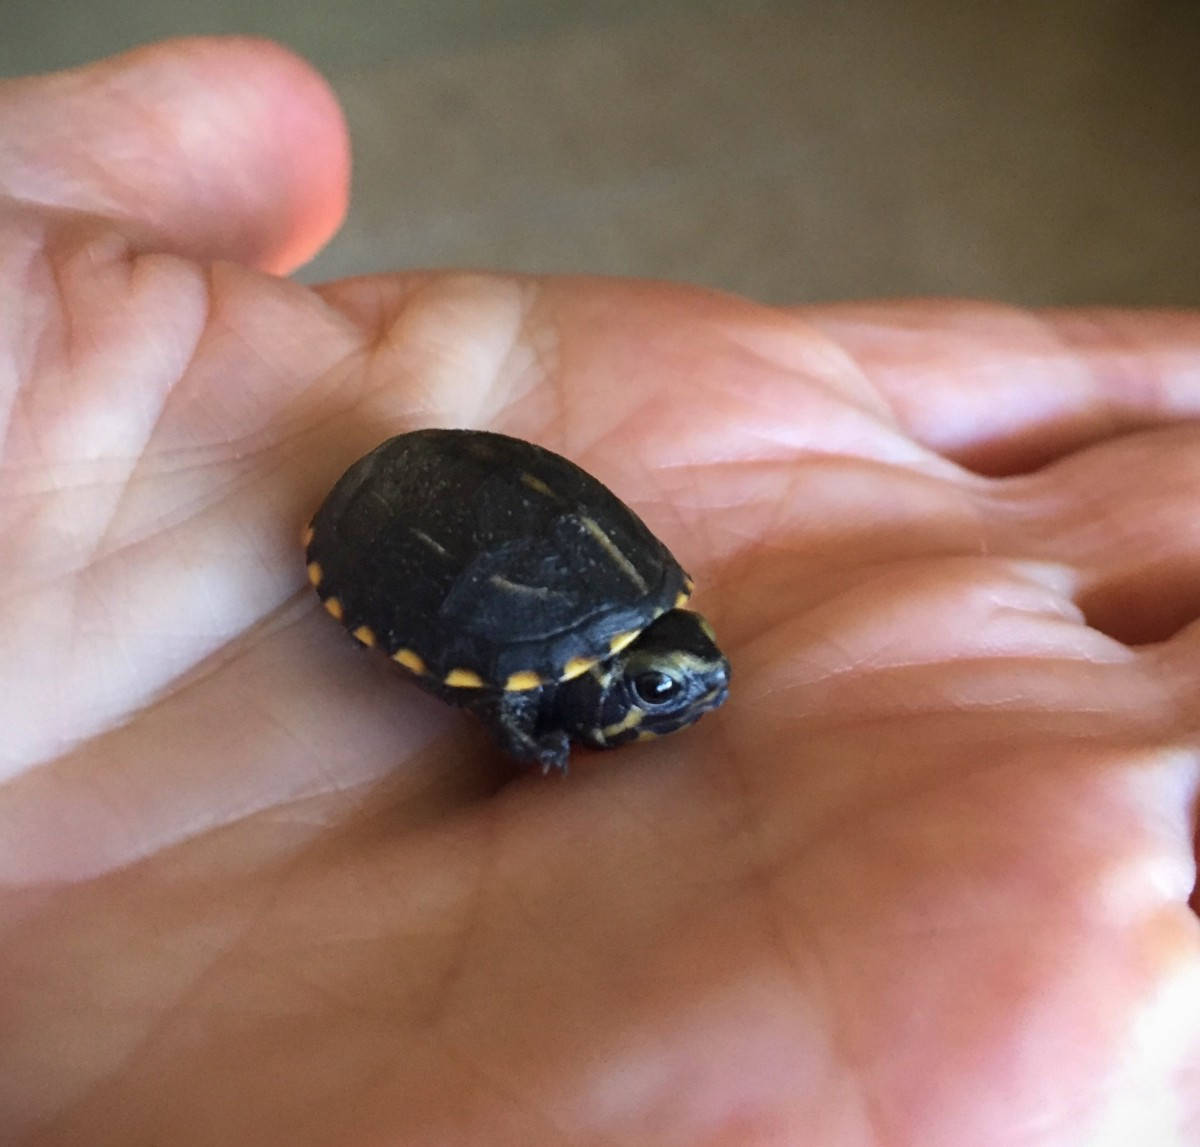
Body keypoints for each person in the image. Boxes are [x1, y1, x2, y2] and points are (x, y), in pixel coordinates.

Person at [2, 36, 1196, 1146]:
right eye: (675, 684)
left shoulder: (656, 616)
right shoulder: (540, 682)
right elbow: (515, 697)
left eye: (689, 671)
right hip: (391, 518)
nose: (702, 685)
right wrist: (532, 730)